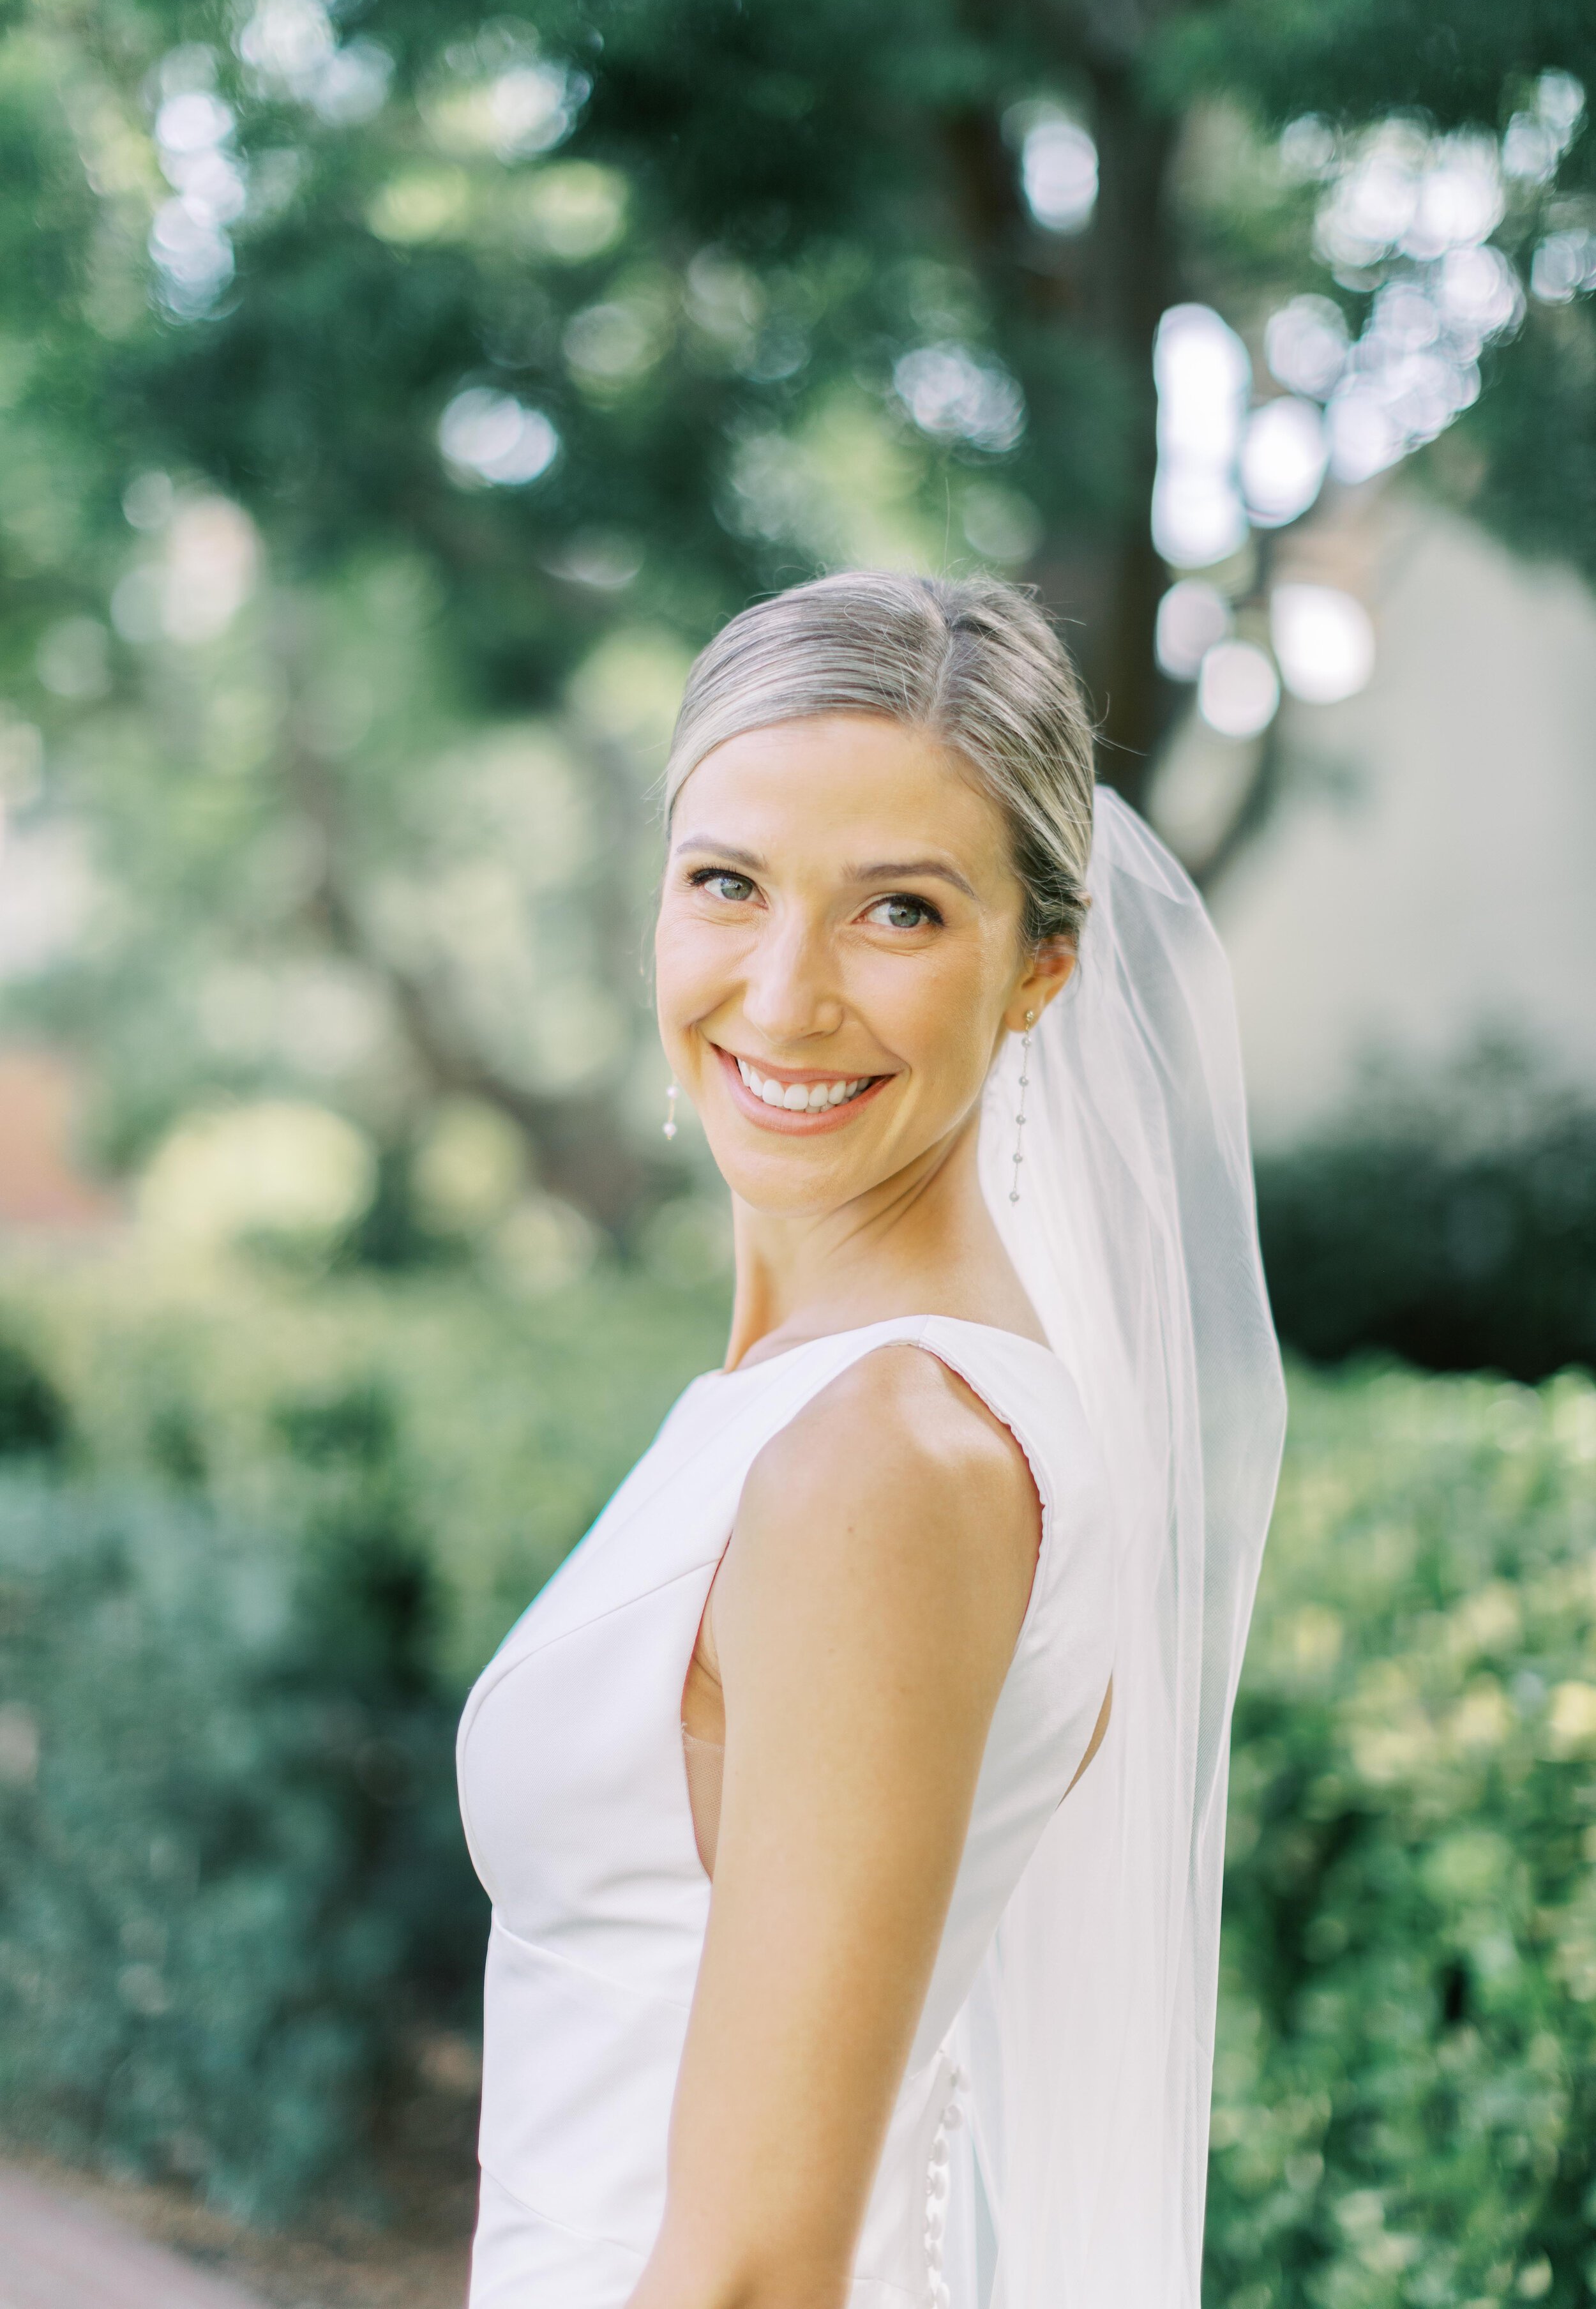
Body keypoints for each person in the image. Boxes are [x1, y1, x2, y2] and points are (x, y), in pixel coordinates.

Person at [456, 572, 1285, 2309]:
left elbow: (758, 2271)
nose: (781, 993)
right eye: (727, 884)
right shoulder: (826, 1408)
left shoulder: (885, 1463)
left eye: (895, 913)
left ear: (1042, 969)